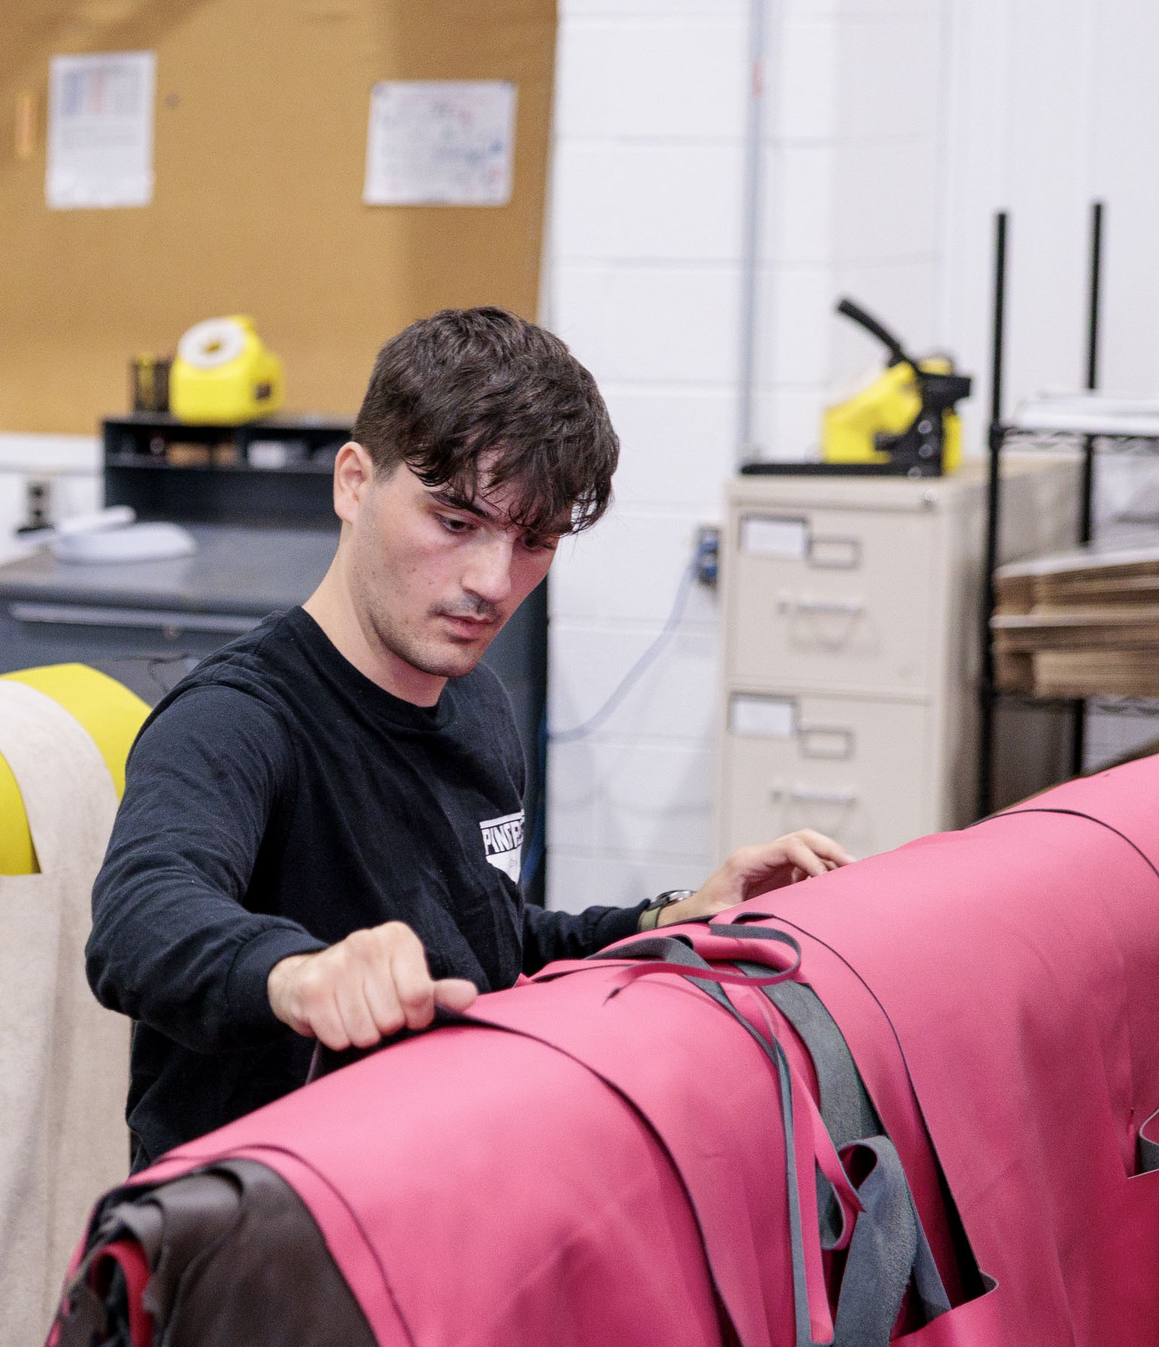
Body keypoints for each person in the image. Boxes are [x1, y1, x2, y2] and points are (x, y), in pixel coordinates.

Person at [86, 307, 852, 1166]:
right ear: (352, 482)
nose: (492, 582)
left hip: (438, 1193)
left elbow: (489, 943)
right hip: (259, 1236)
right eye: (454, 522)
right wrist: (301, 977)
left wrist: (679, 914)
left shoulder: (478, 705)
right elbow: (139, 922)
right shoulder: (234, 721)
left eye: (532, 541)